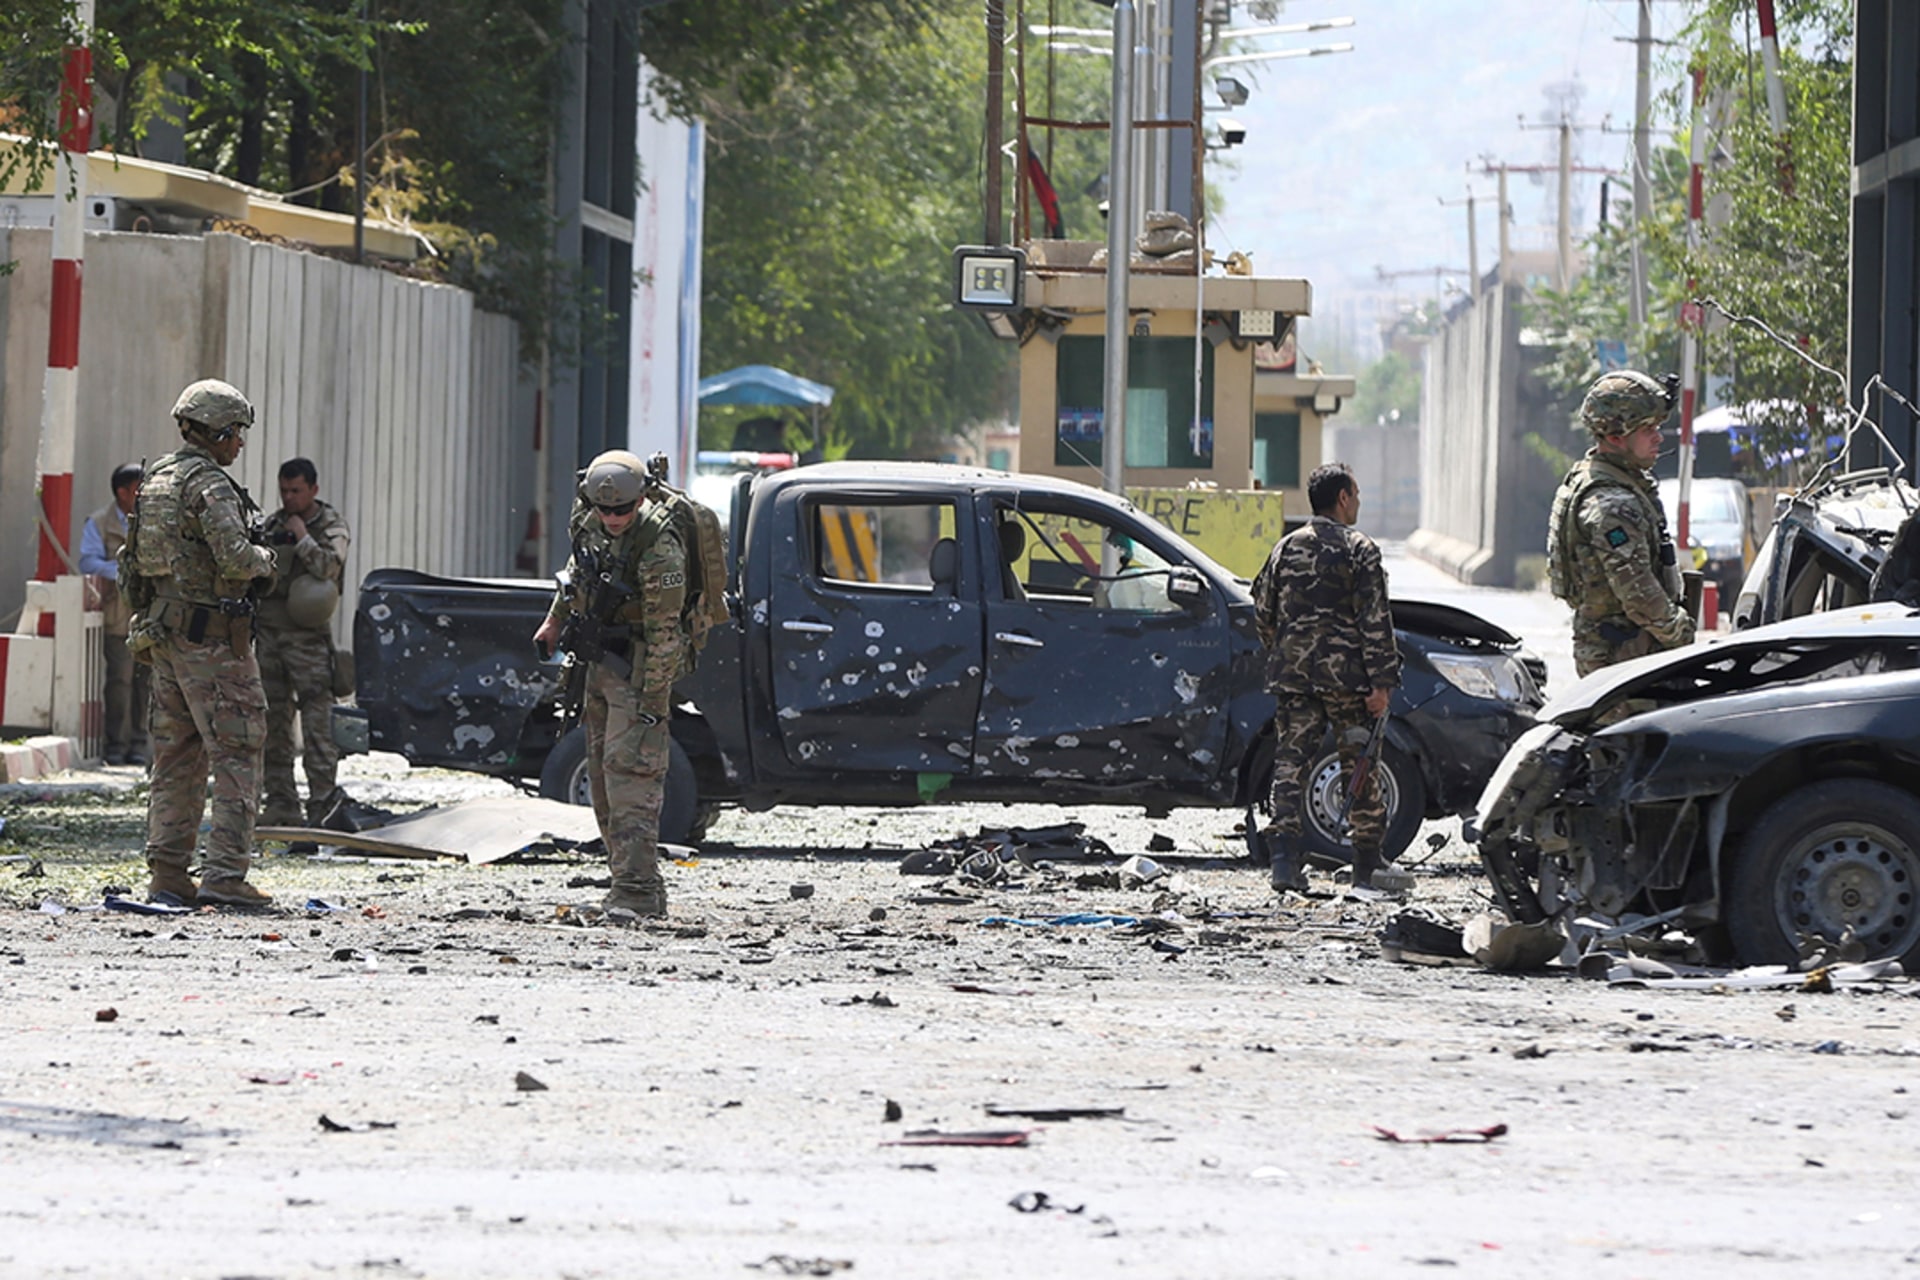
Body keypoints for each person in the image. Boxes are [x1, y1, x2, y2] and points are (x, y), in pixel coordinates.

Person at [121, 379, 278, 907]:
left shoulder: (157, 480)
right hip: (212, 641)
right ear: (218, 431)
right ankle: (225, 875)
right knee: (238, 749)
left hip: (165, 634)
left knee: (176, 755)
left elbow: (134, 566)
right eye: (237, 434)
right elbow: (235, 558)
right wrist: (266, 561)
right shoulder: (208, 485)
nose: (239, 445)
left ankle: (168, 873)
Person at [532, 451, 688, 920]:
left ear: (640, 499)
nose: (614, 518)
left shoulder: (659, 545)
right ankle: (629, 883)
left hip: (639, 671)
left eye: (623, 509)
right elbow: (576, 574)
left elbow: (666, 635)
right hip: (600, 663)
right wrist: (554, 621)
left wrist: (651, 707)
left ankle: (638, 892)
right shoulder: (590, 521)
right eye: (606, 510)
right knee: (601, 776)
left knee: (632, 780)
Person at [1251, 462, 1401, 893]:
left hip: (1294, 677)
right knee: (1361, 766)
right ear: (1342, 498)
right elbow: (1376, 621)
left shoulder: (1285, 548)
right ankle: (1366, 864)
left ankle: (1283, 863)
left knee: (1290, 763)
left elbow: (1263, 612)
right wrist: (1381, 682)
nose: (1358, 502)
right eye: (1356, 494)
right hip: (1348, 681)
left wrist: (1285, 653)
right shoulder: (1360, 548)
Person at [1547, 370, 1695, 677]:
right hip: (1622, 660)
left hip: (1623, 656)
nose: (1658, 437)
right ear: (1615, 437)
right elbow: (1639, 594)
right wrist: (1682, 635)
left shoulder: (1612, 480)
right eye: (1648, 429)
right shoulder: (1612, 505)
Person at [255, 457, 353, 830]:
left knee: (318, 726)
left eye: (296, 490)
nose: (289, 498)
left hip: (309, 641)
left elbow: (329, 566)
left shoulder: (330, 525)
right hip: (269, 635)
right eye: (284, 491)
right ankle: (280, 801)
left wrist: (303, 537)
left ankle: (322, 804)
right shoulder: (272, 525)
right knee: (273, 723)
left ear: (313, 489)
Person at [80, 462, 150, 766]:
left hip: (148, 615)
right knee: (119, 682)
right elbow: (88, 563)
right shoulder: (99, 522)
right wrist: (124, 571)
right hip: (118, 616)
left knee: (145, 682)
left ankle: (139, 744)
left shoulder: (153, 520)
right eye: (138, 489)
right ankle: (115, 745)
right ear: (123, 492)